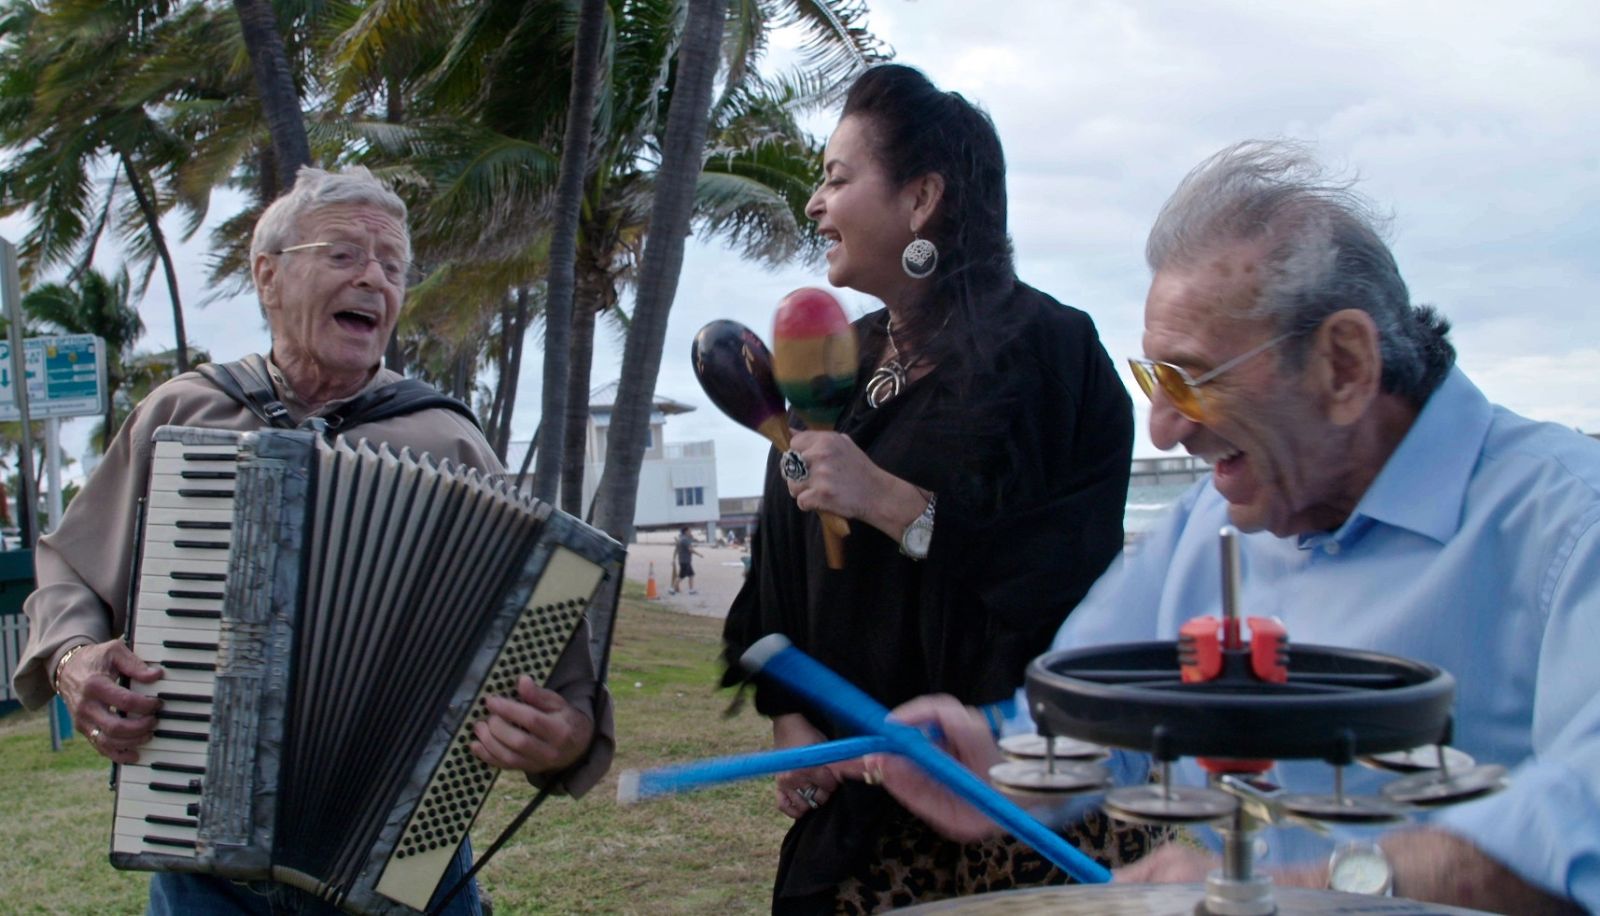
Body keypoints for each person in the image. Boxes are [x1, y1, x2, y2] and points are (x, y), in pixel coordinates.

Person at [852, 141, 1598, 914]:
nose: (1165, 428)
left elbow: (1585, 827)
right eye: (1153, 378)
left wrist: (1301, 893)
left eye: (1191, 378)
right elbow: (1093, 712)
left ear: (1343, 365)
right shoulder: (1213, 518)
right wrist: (1000, 761)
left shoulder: (1571, 525)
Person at [11, 166, 615, 915]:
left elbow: (561, 670)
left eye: (392, 267)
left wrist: (566, 735)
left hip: (400, 864)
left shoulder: (446, 439)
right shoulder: (183, 414)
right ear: (268, 276)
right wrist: (74, 658)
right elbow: (70, 566)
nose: (375, 280)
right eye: (344, 255)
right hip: (200, 858)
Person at [720, 64, 1148, 913]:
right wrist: (792, 710)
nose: (815, 203)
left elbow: (1062, 571)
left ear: (921, 201)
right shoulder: (845, 351)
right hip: (858, 806)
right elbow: (782, 548)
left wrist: (888, 500)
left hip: (1007, 809)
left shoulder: (1046, 348)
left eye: (838, 179)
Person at [674, 526, 702, 595]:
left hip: (684, 560)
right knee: (681, 576)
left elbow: (677, 550)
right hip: (685, 561)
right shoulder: (685, 540)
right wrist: (699, 554)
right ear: (686, 532)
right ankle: (673, 588)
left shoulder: (681, 539)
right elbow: (690, 549)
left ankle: (691, 590)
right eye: (689, 531)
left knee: (691, 575)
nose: (691, 532)